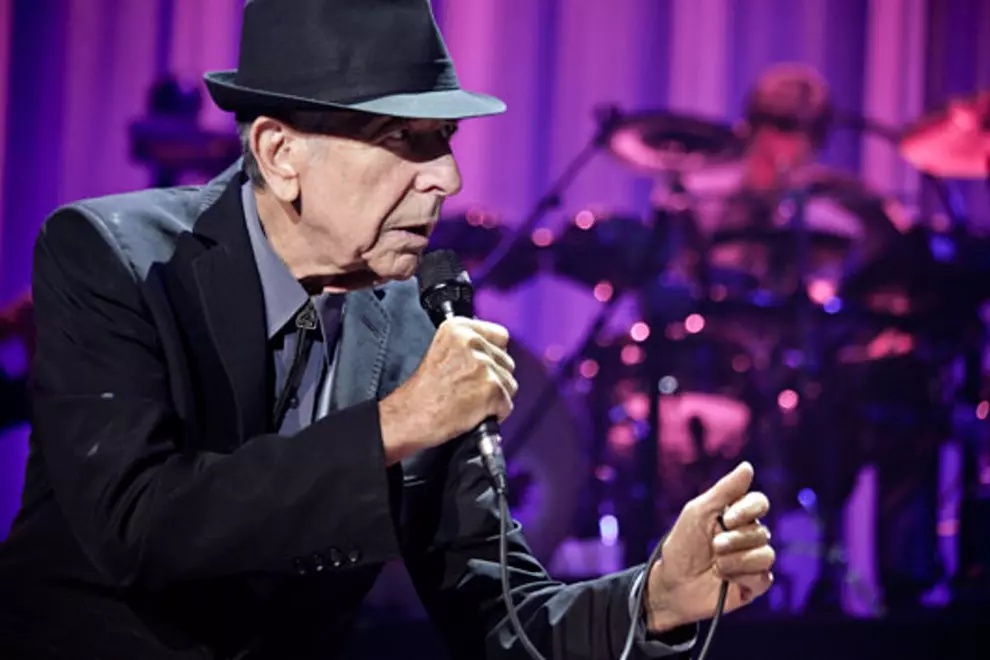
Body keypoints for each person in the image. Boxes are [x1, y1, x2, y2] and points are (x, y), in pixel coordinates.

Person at [0, 1, 775, 658]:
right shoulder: (111, 258)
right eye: (404, 138)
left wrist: (655, 601)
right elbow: (139, 527)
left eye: (445, 141)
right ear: (280, 153)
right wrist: (395, 425)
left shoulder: (413, 319)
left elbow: (502, 612)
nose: (448, 178)